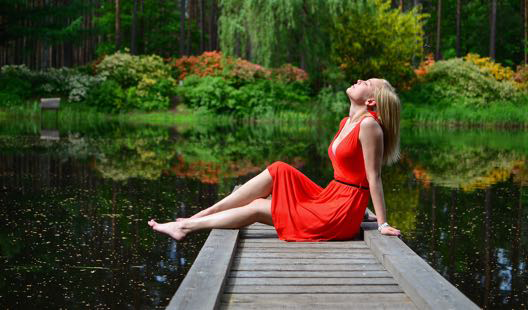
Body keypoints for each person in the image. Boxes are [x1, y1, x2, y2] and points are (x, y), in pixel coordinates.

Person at [148, 78, 401, 241]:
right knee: (279, 168)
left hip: (339, 212)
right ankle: (204, 213)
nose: (359, 80)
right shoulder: (346, 122)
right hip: (331, 197)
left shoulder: (370, 127)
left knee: (259, 207)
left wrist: (382, 223)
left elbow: (373, 177)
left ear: (371, 100)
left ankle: (185, 228)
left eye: (367, 81)